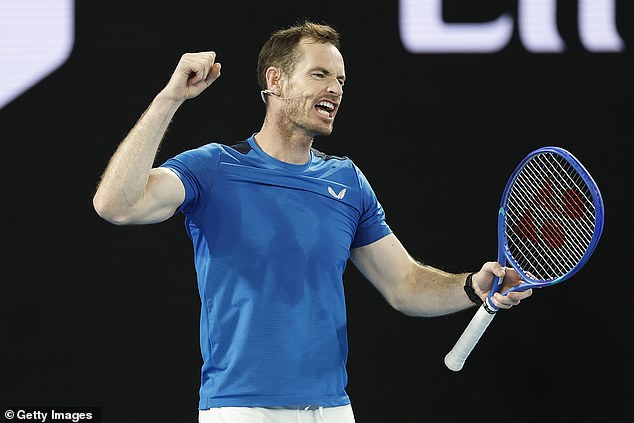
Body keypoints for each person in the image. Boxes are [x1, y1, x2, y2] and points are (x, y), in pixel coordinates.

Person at [93, 20, 531, 423]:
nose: (336, 89)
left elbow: (405, 285)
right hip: (242, 411)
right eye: (320, 74)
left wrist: (473, 284)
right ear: (276, 82)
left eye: (340, 79)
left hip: (333, 410)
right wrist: (170, 98)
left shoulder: (347, 181)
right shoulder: (212, 168)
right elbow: (117, 204)